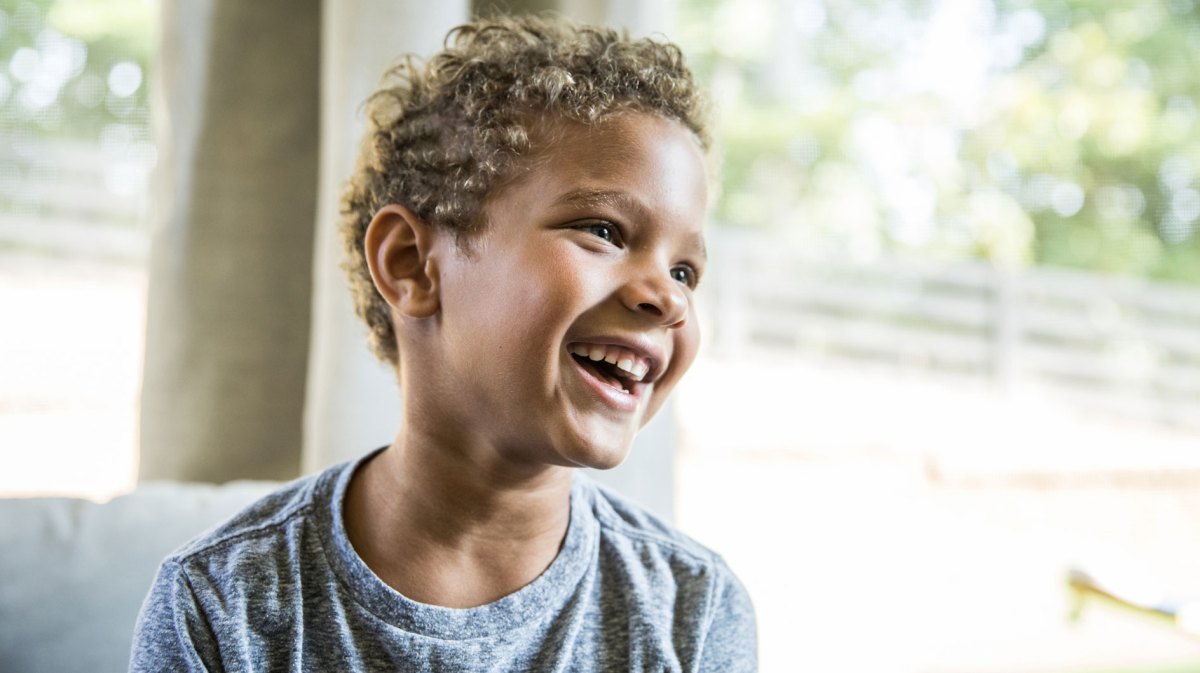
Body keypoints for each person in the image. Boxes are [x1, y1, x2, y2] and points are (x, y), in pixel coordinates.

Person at [130, 14, 757, 672]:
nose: (669, 295)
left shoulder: (696, 610)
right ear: (411, 265)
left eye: (685, 270)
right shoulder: (221, 604)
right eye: (602, 229)